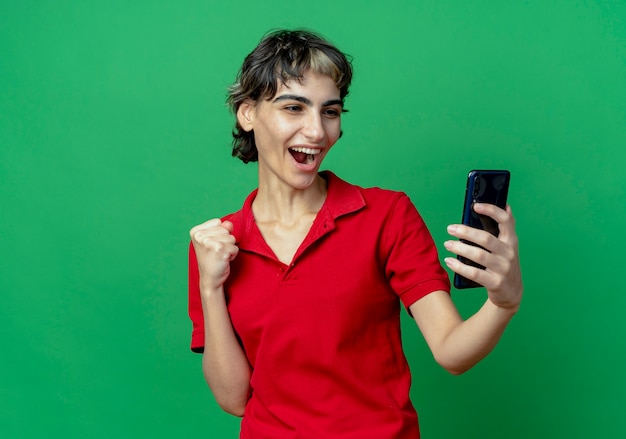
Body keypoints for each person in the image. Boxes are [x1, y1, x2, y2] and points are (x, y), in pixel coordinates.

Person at [188, 29, 522, 439]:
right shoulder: (218, 244)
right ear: (248, 113)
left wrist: (502, 303)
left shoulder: (387, 215)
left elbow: (452, 350)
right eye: (294, 107)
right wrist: (210, 286)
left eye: (330, 111)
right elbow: (235, 399)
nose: (316, 131)